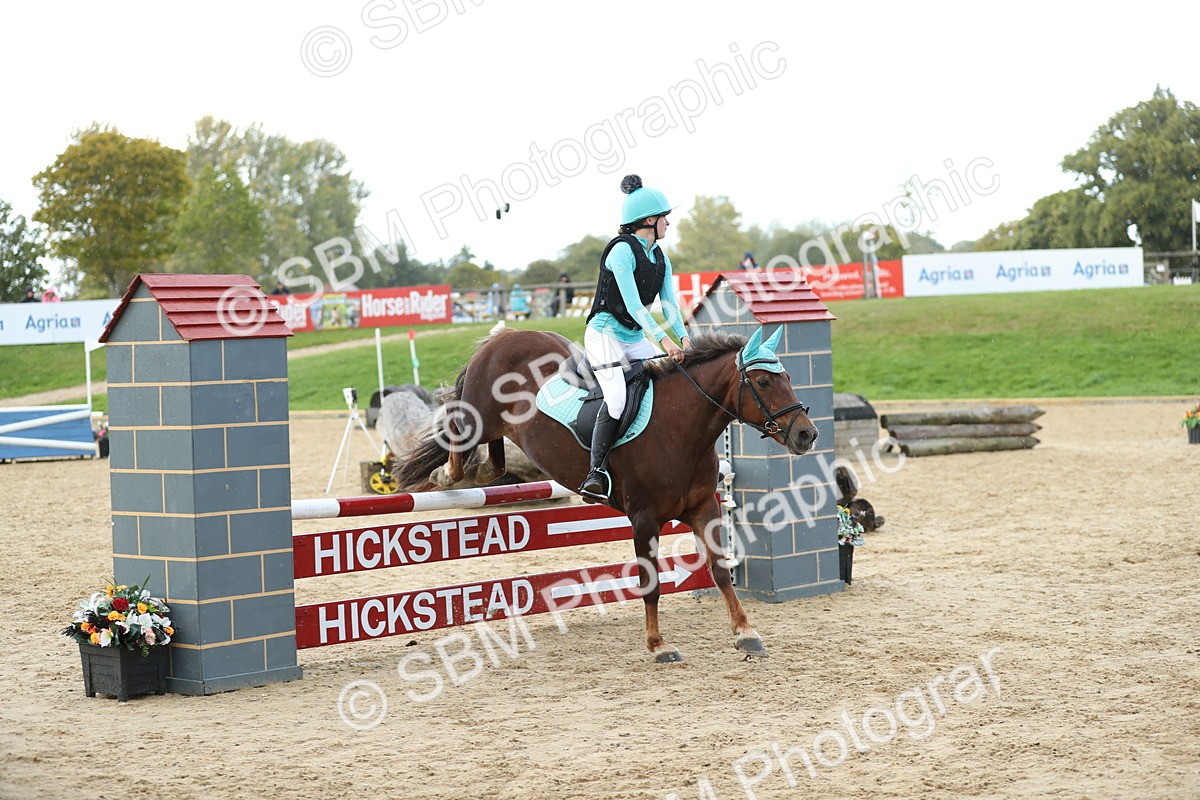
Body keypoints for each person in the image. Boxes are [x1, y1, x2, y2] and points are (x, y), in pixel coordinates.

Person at [578, 174, 689, 504]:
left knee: (673, 380)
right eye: (664, 217)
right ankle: (596, 473)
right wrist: (664, 342)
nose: (669, 222)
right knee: (616, 399)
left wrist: (684, 339)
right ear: (650, 220)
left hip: (635, 336)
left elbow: (670, 303)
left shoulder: (660, 257)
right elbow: (633, 306)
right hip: (604, 335)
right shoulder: (621, 253)